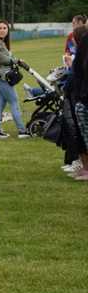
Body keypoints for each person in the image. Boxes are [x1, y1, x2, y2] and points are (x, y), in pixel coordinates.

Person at [0, 20, 29, 139]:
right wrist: (16, 61)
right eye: (0, 28)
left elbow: (9, 57)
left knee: (0, 104)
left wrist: (18, 60)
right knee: (14, 101)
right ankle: (22, 130)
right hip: (1, 77)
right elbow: (3, 59)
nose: (2, 30)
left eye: (5, 28)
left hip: (1, 77)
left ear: (8, 30)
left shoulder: (2, 43)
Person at [69, 25, 88, 181]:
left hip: (82, 98)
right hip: (81, 97)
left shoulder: (82, 52)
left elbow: (77, 75)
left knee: (84, 135)